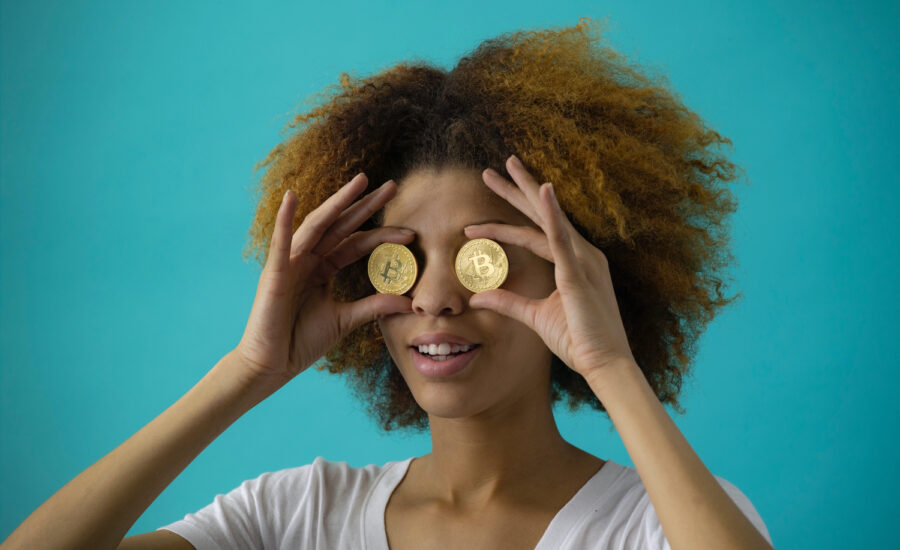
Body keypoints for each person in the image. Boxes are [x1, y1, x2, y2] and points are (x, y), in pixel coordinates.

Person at [1, 17, 774, 550]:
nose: (436, 298)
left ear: (577, 275)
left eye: (484, 254)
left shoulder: (662, 523)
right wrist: (246, 373)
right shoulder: (296, 515)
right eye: (400, 258)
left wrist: (613, 368)